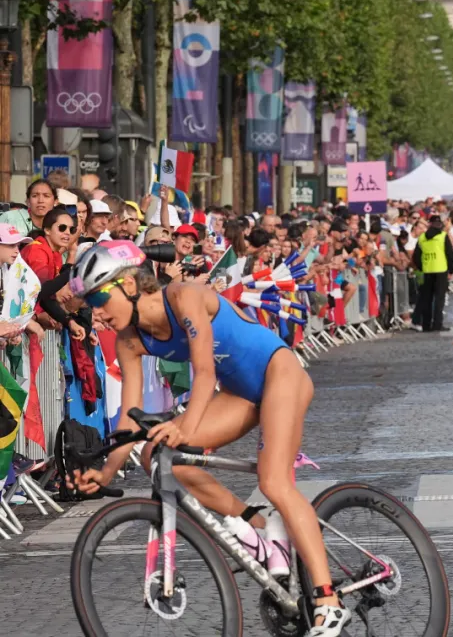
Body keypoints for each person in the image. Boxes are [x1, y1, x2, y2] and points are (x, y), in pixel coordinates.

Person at [66, 242, 352, 635]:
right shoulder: (130, 340)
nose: (95, 311)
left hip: (279, 373)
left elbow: (203, 373)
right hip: (239, 395)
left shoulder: (184, 297)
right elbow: (127, 420)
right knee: (154, 455)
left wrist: (183, 426)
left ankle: (328, 601)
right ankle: (254, 522)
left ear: (130, 283)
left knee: (273, 482)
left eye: (99, 297)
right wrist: (106, 471)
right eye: (88, 302)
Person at [412, 215, 453, 332]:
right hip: (441, 270)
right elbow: (450, 254)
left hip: (427, 271)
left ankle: (426, 325)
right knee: (439, 299)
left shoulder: (422, 238)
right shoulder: (443, 236)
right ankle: (437, 324)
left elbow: (416, 256)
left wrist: (422, 266)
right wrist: (451, 270)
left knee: (427, 299)